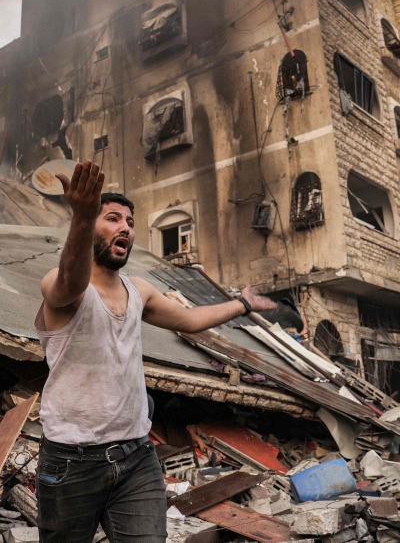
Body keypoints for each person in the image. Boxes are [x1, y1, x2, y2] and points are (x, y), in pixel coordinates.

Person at [35, 160, 277, 543]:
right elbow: (69, 282)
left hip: (136, 457)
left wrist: (243, 304)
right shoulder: (60, 284)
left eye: (130, 223)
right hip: (71, 461)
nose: (125, 228)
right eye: (112, 218)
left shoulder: (139, 290)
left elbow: (190, 319)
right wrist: (81, 216)